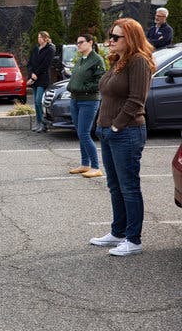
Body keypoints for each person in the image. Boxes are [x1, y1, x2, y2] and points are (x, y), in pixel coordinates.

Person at [90, 18, 155, 256]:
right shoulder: (118, 61)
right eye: (111, 35)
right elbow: (108, 96)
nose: (111, 40)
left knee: (129, 187)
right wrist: (101, 125)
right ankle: (118, 232)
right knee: (115, 186)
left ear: (131, 39)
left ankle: (133, 239)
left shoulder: (138, 61)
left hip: (126, 132)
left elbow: (137, 100)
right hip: (108, 132)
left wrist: (116, 126)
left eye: (116, 37)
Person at [66, 34, 105, 178]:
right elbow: (76, 77)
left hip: (89, 101)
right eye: (77, 42)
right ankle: (84, 164)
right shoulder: (81, 60)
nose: (78, 45)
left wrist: (83, 87)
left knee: (84, 133)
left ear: (90, 43)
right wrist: (72, 86)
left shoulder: (97, 60)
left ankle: (95, 166)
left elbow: (100, 81)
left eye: (81, 42)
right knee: (80, 133)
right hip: (75, 99)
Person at [27, 31, 56, 132]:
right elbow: (30, 63)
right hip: (34, 78)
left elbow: (45, 65)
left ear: (45, 38)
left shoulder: (50, 49)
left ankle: (44, 123)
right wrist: (31, 74)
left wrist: (35, 75)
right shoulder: (35, 48)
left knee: (39, 101)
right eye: (38, 37)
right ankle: (38, 122)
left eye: (40, 37)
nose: (38, 39)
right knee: (35, 102)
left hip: (42, 79)